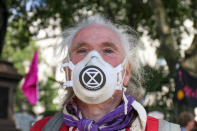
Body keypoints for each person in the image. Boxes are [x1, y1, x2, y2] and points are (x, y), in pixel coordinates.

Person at [30, 15, 180, 131]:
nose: (94, 59)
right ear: (68, 71)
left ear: (125, 73)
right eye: (82, 50)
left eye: (108, 50)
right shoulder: (41, 128)